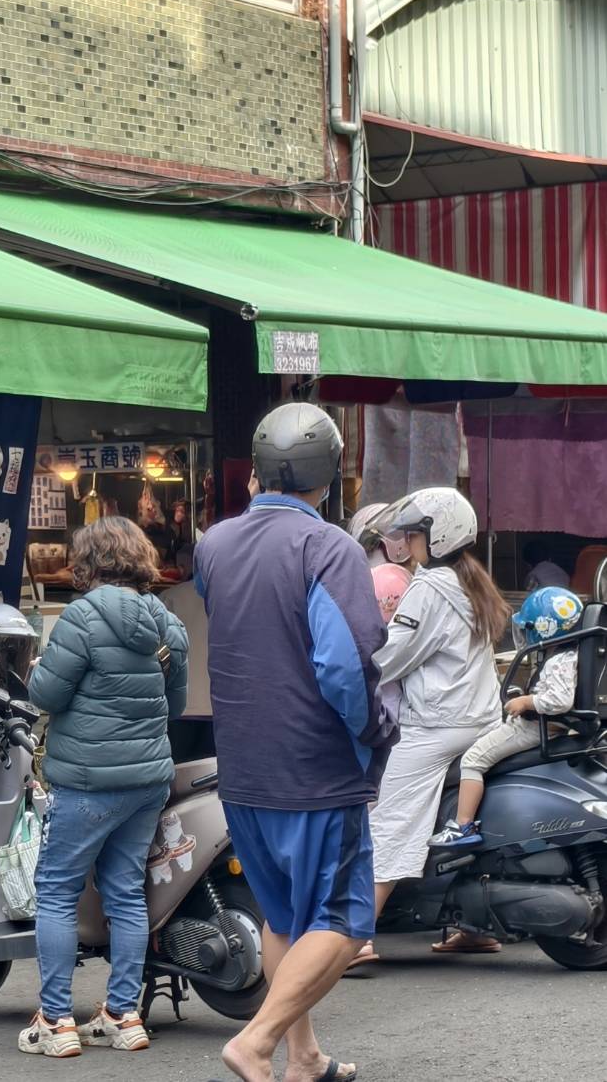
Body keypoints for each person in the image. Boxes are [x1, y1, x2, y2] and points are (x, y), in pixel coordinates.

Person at [194, 402, 395, 1082]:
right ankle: (255, 1042)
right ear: (329, 479)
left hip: (242, 764)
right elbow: (345, 667)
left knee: (284, 918)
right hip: (315, 768)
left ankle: (302, 1056)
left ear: (255, 474)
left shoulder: (213, 545)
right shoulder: (328, 547)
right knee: (343, 922)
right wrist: (373, 732)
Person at [17, 517, 188, 1060]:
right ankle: (123, 1015)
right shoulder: (167, 623)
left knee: (57, 891)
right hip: (147, 780)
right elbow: (175, 706)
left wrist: (39, 669)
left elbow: (45, 696)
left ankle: (56, 1020)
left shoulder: (80, 618)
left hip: (88, 781)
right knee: (126, 892)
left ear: (88, 562)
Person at [362, 487, 510, 963]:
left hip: (439, 724)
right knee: (453, 817)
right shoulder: (470, 581)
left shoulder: (429, 588)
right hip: (480, 718)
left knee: (389, 819)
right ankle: (473, 924)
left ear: (438, 536)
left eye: (414, 534)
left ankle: (357, 937)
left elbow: (389, 657)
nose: (407, 542)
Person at [431, 587, 584, 849]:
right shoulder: (571, 654)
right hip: (552, 726)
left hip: (534, 727)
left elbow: (559, 700)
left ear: (544, 628)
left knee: (473, 760)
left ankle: (463, 826)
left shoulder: (558, 660)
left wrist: (526, 701)